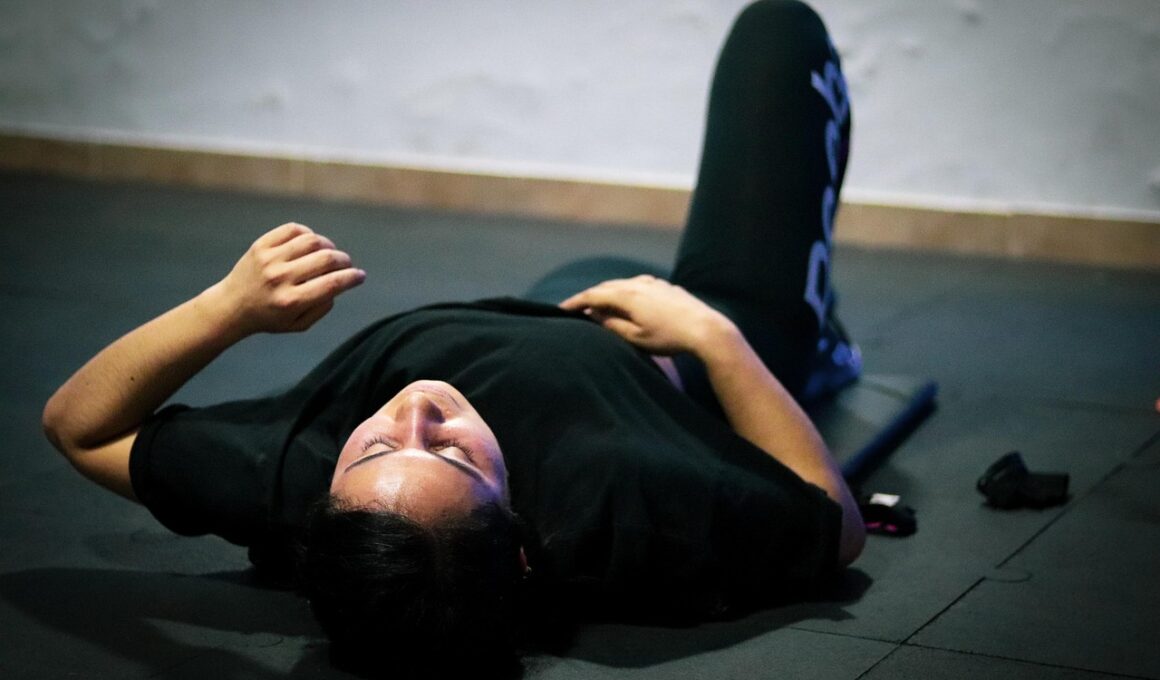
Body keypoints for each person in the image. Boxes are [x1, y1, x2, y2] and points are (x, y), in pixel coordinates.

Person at [42, 1, 864, 677]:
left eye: (374, 450)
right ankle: (818, 345)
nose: (417, 412)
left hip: (552, 305)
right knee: (779, 30)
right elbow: (838, 527)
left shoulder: (291, 480)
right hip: (687, 341)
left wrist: (227, 308)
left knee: (593, 266)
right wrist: (715, 338)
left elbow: (79, 428)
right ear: (517, 542)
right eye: (454, 456)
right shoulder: (625, 500)